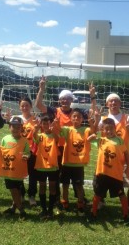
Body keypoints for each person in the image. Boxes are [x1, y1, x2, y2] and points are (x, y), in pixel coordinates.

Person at [35, 78, 97, 208]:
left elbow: (92, 113)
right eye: (62, 98)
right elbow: (39, 105)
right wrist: (41, 89)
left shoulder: (76, 113)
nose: (65, 101)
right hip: (57, 148)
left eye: (67, 98)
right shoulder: (55, 111)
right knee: (59, 177)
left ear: (71, 100)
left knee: (75, 177)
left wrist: (92, 97)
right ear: (59, 100)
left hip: (73, 149)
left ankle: (80, 198)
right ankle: (59, 199)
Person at [97, 93, 129, 216]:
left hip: (123, 157)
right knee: (101, 182)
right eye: (111, 101)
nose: (113, 103)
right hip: (107, 157)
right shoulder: (103, 119)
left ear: (120, 103)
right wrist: (95, 118)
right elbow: (95, 131)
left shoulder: (127, 118)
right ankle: (101, 201)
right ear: (107, 104)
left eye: (116, 101)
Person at [88, 118, 129, 223]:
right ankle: (93, 213)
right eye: (106, 129)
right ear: (102, 129)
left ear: (115, 129)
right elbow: (89, 140)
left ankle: (125, 215)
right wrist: (92, 136)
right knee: (97, 194)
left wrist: (128, 166)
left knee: (121, 194)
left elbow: (126, 153)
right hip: (102, 173)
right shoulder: (101, 140)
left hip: (116, 174)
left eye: (111, 129)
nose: (109, 131)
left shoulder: (120, 140)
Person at [58, 108, 99, 215]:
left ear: (82, 119)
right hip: (66, 163)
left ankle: (80, 204)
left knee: (79, 186)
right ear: (71, 118)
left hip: (78, 164)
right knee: (65, 185)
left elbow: (93, 132)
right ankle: (65, 203)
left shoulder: (85, 130)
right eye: (74, 116)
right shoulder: (67, 129)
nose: (76, 118)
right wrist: (56, 123)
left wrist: (92, 122)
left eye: (79, 117)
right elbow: (58, 131)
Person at [0, 116, 30, 219]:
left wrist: (27, 156)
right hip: (8, 170)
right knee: (14, 190)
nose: (16, 129)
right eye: (14, 126)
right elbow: (0, 152)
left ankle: (21, 210)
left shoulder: (24, 141)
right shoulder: (5, 139)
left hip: (18, 171)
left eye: (18, 127)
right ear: (9, 127)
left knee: (15, 190)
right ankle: (15, 208)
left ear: (22, 128)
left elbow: (28, 153)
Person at [33, 115, 59, 219]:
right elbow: (34, 136)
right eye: (44, 124)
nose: (46, 125)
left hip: (52, 166)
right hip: (41, 166)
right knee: (42, 186)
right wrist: (36, 128)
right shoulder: (40, 136)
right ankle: (44, 209)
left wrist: (54, 130)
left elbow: (57, 139)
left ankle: (50, 209)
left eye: (48, 123)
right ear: (42, 125)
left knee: (52, 187)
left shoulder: (53, 135)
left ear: (50, 124)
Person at [17, 96, 39, 206]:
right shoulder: (16, 119)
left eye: (27, 105)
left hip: (32, 151)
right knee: (20, 173)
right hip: (20, 151)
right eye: (22, 105)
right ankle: (21, 194)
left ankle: (32, 195)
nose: (24, 107)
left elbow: (38, 135)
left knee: (32, 175)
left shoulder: (35, 119)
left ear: (30, 106)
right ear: (19, 107)